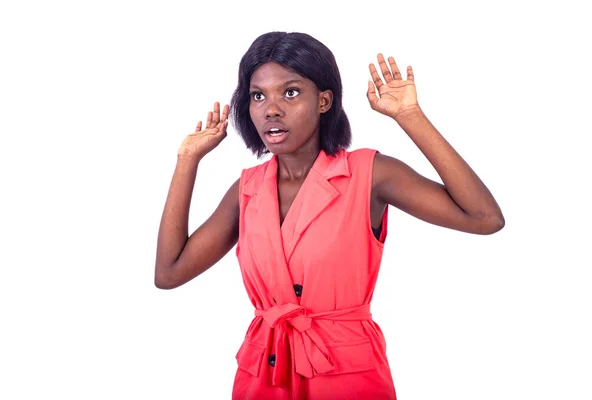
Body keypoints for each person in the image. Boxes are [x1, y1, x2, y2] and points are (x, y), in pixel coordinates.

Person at [154, 31, 504, 400]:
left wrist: (410, 116)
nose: (271, 108)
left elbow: (484, 217)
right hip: (264, 376)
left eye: (290, 92)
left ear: (323, 101)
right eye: (258, 95)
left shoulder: (370, 174)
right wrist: (187, 161)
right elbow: (170, 273)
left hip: (345, 375)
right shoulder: (247, 190)